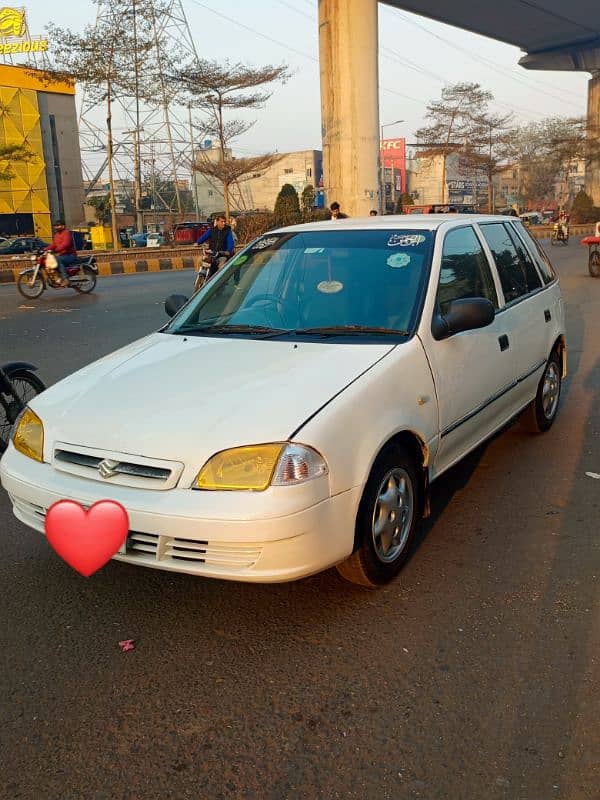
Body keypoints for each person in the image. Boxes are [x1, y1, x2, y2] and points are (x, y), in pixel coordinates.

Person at [46, 220, 77, 287]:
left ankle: (66, 279)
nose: (56, 227)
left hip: (70, 255)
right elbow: (53, 245)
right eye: (55, 226)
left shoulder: (66, 233)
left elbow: (66, 244)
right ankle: (57, 277)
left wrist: (56, 250)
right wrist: (44, 250)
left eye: (58, 225)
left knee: (57, 259)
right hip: (62, 255)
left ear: (63, 226)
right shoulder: (56, 235)